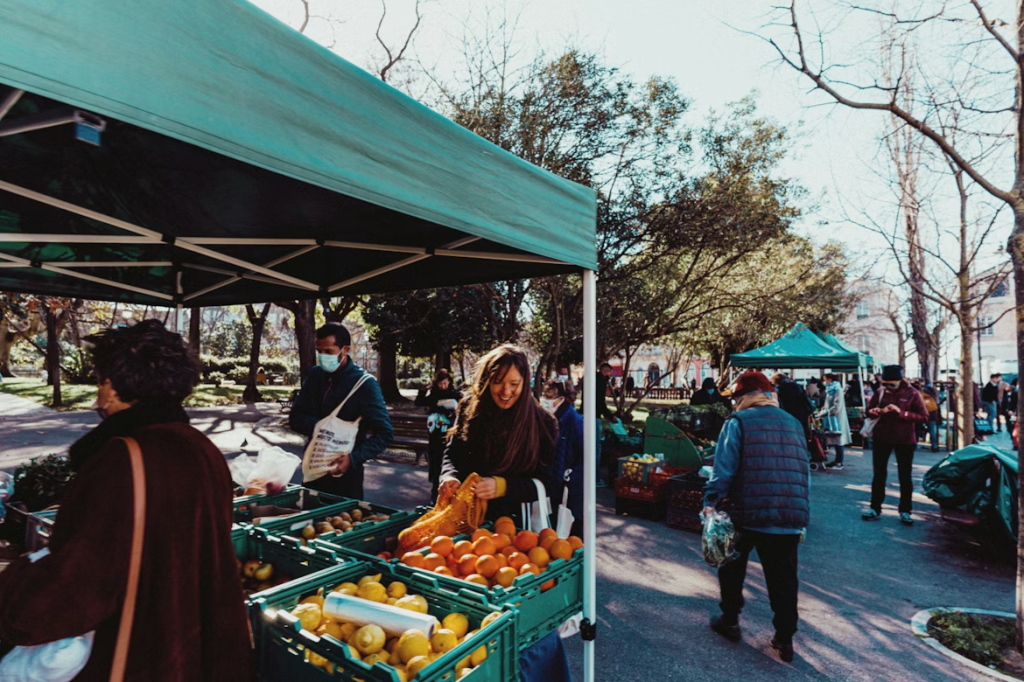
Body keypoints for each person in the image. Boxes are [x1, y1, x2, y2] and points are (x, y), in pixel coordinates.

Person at [0, 320, 252, 680]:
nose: (97, 397)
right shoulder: (203, 449)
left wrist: (14, 589)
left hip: (139, 653)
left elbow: (79, 585)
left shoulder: (121, 460)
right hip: (196, 646)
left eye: (100, 382)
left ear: (116, 386)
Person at [704, 371, 810, 663]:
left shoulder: (737, 421)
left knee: (731, 565)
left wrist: (710, 501)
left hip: (746, 511)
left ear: (743, 397)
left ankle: (730, 620)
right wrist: (801, 513)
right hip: (789, 513)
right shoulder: (794, 423)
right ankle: (784, 639)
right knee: (784, 579)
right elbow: (804, 472)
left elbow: (723, 469)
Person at [438, 344, 558, 520]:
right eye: (498, 382)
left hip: (515, 526)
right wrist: (449, 477)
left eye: (514, 384)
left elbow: (549, 482)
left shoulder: (544, 422)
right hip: (463, 518)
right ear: (487, 380)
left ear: (525, 383)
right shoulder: (469, 408)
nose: (506, 391)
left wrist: (503, 486)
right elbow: (453, 454)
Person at [290, 323, 394, 499]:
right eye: (319, 351)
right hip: (313, 472)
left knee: (343, 516)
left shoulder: (365, 384)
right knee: (311, 515)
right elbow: (295, 418)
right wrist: (322, 429)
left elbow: (385, 434)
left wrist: (353, 459)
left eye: (328, 351)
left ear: (345, 350)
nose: (323, 357)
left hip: (346, 479)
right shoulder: (315, 376)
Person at [862, 365, 929, 525]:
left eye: (891, 384)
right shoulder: (880, 392)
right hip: (881, 438)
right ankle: (875, 508)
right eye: (885, 383)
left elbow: (924, 416)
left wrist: (901, 413)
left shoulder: (912, 393)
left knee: (905, 476)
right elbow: (868, 411)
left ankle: (905, 510)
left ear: (900, 381)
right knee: (878, 475)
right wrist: (876, 411)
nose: (888, 387)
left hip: (905, 440)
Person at [542, 379, 585, 537]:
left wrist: (571, 479)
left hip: (570, 491)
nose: (547, 401)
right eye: (546, 396)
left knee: (570, 533)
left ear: (563, 399)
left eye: (551, 397)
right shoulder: (549, 420)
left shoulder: (576, 422)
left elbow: (585, 459)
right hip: (553, 485)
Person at [415, 369, 462, 501]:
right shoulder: (434, 395)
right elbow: (419, 402)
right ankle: (435, 491)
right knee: (435, 462)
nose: (443, 386)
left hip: (449, 434)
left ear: (449, 382)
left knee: (448, 462)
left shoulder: (455, 395)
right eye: (440, 384)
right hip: (435, 435)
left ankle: (449, 490)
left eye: (445, 383)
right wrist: (424, 390)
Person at [818, 373, 851, 469]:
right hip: (831, 417)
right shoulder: (831, 389)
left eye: (825, 380)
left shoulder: (837, 389)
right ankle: (836, 461)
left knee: (838, 439)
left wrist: (825, 412)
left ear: (829, 379)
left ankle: (839, 462)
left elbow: (837, 406)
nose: (825, 382)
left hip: (836, 418)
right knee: (834, 439)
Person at [919, 380, 942, 452]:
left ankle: (933, 445)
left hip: (925, 411)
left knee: (922, 428)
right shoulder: (932, 391)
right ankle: (935, 446)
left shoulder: (922, 391)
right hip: (933, 412)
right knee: (932, 429)